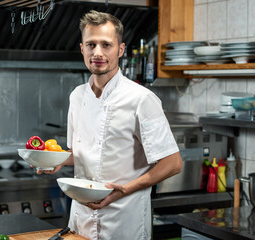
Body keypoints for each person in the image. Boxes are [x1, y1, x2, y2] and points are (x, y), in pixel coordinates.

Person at [38, 10, 183, 240]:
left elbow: (173, 163)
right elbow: (81, 152)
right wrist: (54, 161)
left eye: (106, 45)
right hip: (80, 222)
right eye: (91, 44)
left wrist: (125, 189)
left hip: (124, 223)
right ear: (82, 49)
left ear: (121, 49)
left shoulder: (141, 99)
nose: (98, 52)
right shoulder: (77, 96)